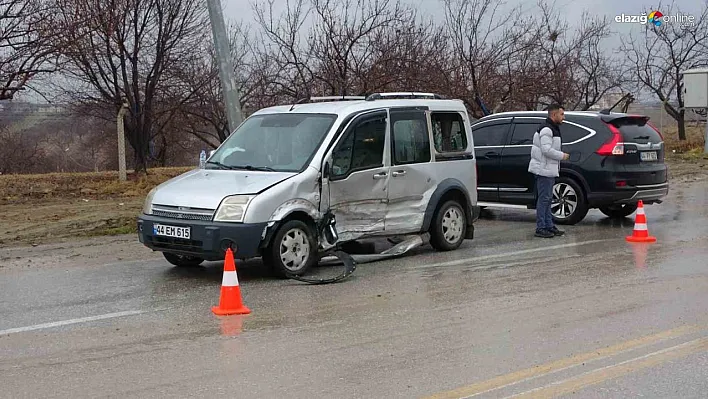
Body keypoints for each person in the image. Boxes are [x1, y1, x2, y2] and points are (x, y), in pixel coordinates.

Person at [528, 104, 570, 238]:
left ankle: (548, 225)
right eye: (561, 114)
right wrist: (562, 155)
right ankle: (541, 227)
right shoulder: (547, 129)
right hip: (544, 169)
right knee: (544, 199)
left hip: (548, 169)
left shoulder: (552, 128)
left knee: (547, 198)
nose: (563, 117)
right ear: (554, 115)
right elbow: (546, 150)